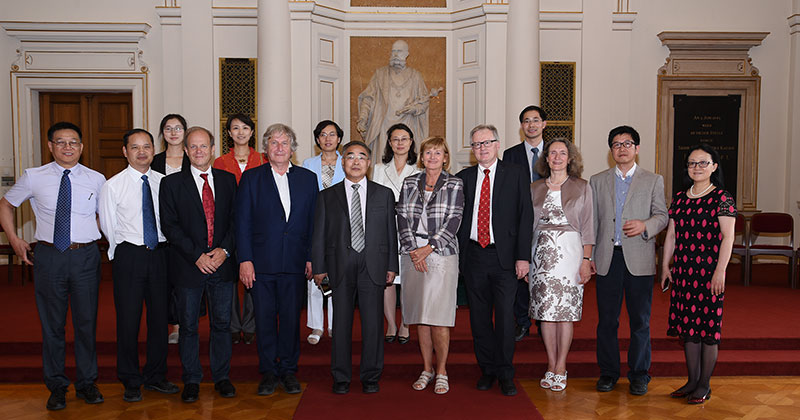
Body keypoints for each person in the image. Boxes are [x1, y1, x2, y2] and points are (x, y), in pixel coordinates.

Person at [0, 121, 106, 410]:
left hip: (85, 257)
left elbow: (105, 215)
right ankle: (57, 386)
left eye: (73, 142)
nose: (67, 147)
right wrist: (13, 238)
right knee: (53, 326)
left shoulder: (97, 179)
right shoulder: (33, 177)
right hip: (49, 257)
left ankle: (87, 383)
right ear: (50, 146)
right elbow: (6, 205)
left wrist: (89, 234)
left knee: (86, 323)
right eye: (61, 142)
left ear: (82, 147)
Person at [98, 128, 180, 402]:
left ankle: (156, 376)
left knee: (159, 320)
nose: (142, 152)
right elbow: (109, 226)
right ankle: (130, 379)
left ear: (153, 150)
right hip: (129, 256)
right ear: (125, 151)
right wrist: (120, 252)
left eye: (146, 146)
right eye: (135, 147)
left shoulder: (164, 182)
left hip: (160, 255)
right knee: (128, 320)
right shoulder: (113, 185)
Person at [236, 123, 318, 396]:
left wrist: (311, 258)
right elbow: (243, 223)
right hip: (261, 264)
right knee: (265, 319)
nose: (280, 147)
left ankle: (289, 370)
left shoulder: (307, 179)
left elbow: (313, 223)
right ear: (265, 148)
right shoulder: (252, 178)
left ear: (293, 148)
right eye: (274, 143)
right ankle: (269, 371)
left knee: (292, 320)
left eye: (285, 143)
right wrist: (245, 260)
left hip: (295, 263)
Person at [311, 141, 398, 395]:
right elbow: (319, 234)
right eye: (350, 157)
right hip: (339, 266)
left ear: (369, 163)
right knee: (341, 325)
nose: (356, 161)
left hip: (374, 265)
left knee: (373, 324)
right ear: (343, 162)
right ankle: (341, 376)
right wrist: (319, 267)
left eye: (362, 157)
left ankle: (371, 375)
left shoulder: (383, 194)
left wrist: (392, 264)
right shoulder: (327, 195)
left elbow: (390, 234)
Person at [159, 126, 238, 403]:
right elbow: (170, 226)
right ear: (185, 151)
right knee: (189, 326)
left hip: (222, 264)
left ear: (213, 149)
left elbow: (235, 222)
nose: (198, 151)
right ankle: (191, 379)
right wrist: (197, 256)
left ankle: (222, 377)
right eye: (193, 147)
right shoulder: (171, 184)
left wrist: (225, 250)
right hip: (188, 265)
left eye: (203, 146)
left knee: (221, 324)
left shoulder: (229, 181)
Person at [589, 125, 668, 396]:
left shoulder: (652, 179)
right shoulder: (597, 180)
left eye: (627, 143)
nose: (621, 148)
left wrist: (646, 225)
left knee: (640, 321)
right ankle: (608, 373)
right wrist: (590, 255)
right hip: (607, 259)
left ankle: (639, 374)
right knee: (607, 321)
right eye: (616, 144)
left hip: (639, 258)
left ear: (636, 148)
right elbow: (593, 222)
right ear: (610, 150)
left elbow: (662, 215)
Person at [456, 124, 533, 397]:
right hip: (474, 256)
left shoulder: (515, 174)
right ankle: (487, 370)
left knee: (504, 318)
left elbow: (526, 218)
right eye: (476, 144)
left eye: (487, 142)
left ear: (497, 144)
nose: (482, 148)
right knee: (478, 320)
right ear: (472, 149)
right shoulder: (462, 177)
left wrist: (523, 257)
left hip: (506, 259)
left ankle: (505, 373)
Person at [660, 144, 736, 405]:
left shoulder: (722, 198)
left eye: (703, 163)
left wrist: (720, 271)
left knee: (708, 330)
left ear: (714, 166)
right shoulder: (680, 198)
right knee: (689, 330)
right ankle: (692, 381)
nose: (697, 167)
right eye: (692, 163)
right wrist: (665, 266)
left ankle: (704, 384)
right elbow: (671, 235)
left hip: (709, 273)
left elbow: (728, 237)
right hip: (683, 272)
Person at [396, 136, 464, 394]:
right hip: (412, 255)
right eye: (428, 153)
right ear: (421, 157)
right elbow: (401, 216)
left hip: (442, 255)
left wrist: (428, 248)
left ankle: (443, 370)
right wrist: (414, 250)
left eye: (438, 153)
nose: (432, 157)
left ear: (445, 157)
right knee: (420, 317)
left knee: (439, 317)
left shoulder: (455, 183)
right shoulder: (410, 182)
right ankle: (426, 368)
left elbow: (454, 219)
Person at [529, 138, 595, 392]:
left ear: (570, 158)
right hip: (541, 254)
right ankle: (550, 362)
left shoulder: (582, 187)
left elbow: (589, 226)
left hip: (571, 253)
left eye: (562, 153)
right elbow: (527, 226)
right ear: (546, 158)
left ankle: (561, 366)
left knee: (565, 313)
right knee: (546, 312)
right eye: (552, 153)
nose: (557, 157)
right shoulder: (534, 188)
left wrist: (586, 260)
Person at [213, 113, 265, 345]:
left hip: (258, 226)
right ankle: (233, 326)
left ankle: (251, 324)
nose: (241, 132)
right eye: (235, 128)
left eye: (245, 128)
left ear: (252, 132)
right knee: (230, 276)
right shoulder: (220, 162)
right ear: (229, 133)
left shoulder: (264, 159)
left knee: (255, 275)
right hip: (228, 226)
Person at [372, 123, 421, 344]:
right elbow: (372, 202)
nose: (400, 143)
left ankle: (405, 324)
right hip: (384, 228)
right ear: (389, 143)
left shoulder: (420, 169)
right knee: (388, 279)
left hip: (412, 230)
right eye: (395, 139)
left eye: (404, 138)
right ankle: (391, 323)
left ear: (411, 142)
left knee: (409, 280)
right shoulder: (378, 168)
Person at [504, 105, 548, 342]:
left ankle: (544, 320)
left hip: (548, 222)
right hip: (518, 220)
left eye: (535, 120)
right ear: (521, 126)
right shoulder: (510, 155)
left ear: (544, 124)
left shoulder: (555, 152)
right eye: (526, 121)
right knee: (520, 271)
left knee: (544, 272)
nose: (531, 125)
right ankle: (522, 321)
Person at [357, 39, 440, 162]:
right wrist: (363, 118)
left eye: (399, 51)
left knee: (408, 162)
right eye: (394, 51)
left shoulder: (415, 76)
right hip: (383, 125)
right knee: (381, 162)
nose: (396, 54)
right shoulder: (380, 75)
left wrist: (414, 109)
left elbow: (423, 103)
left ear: (406, 54)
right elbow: (368, 98)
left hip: (408, 125)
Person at [301, 120, 345, 345]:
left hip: (341, 227)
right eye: (323, 135)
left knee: (339, 277)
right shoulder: (308, 164)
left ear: (339, 138)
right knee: (315, 275)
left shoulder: (347, 162)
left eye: (332, 134)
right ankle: (317, 325)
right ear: (317, 139)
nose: (328, 138)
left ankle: (335, 324)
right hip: (315, 225)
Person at [151, 113, 190, 345]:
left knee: (185, 281)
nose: (173, 132)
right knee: (165, 282)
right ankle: (173, 326)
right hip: (159, 229)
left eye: (178, 128)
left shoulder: (194, 158)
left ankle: (186, 324)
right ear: (162, 133)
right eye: (168, 128)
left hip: (187, 230)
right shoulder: (154, 161)